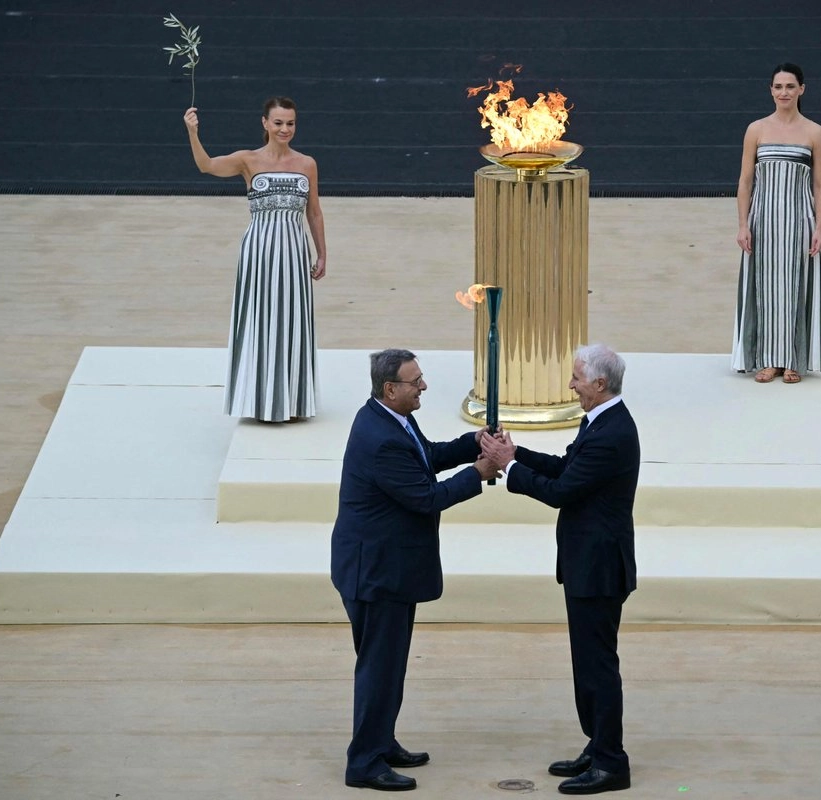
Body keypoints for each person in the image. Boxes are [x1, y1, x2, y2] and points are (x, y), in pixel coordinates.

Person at [331, 349, 499, 792]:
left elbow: (426, 456)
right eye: (415, 381)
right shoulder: (381, 438)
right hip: (376, 574)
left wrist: (473, 444)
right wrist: (479, 472)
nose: (423, 386)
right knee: (379, 667)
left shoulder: (391, 420)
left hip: (390, 568)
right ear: (391, 389)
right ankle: (364, 761)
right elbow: (426, 497)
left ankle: (381, 740)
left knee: (390, 665)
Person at [479, 344, 638, 795]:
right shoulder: (601, 421)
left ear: (600, 384)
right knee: (587, 664)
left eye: (577, 378)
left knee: (597, 666)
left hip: (599, 569)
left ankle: (611, 762)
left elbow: (563, 490)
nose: (572, 385)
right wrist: (519, 452)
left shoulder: (612, 433)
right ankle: (599, 743)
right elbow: (568, 466)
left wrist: (509, 469)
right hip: (587, 564)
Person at [183, 97, 327, 421]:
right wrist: (193, 133)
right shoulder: (247, 160)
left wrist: (322, 254)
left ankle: (292, 401)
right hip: (259, 251)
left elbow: (314, 212)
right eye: (278, 123)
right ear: (265, 123)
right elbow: (206, 165)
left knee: (292, 321)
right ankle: (257, 399)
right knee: (259, 319)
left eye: (290, 123)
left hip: (293, 251)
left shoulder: (307, 164)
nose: (284, 129)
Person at [731, 62, 821, 384]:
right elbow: (746, 181)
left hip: (799, 220)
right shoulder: (756, 130)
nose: (783, 92)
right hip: (763, 221)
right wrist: (743, 225)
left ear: (802, 89)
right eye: (778, 87)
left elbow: (820, 184)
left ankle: (792, 360)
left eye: (790, 86)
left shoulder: (815, 132)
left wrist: (819, 228)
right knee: (764, 288)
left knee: (794, 289)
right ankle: (768, 360)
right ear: (771, 91)